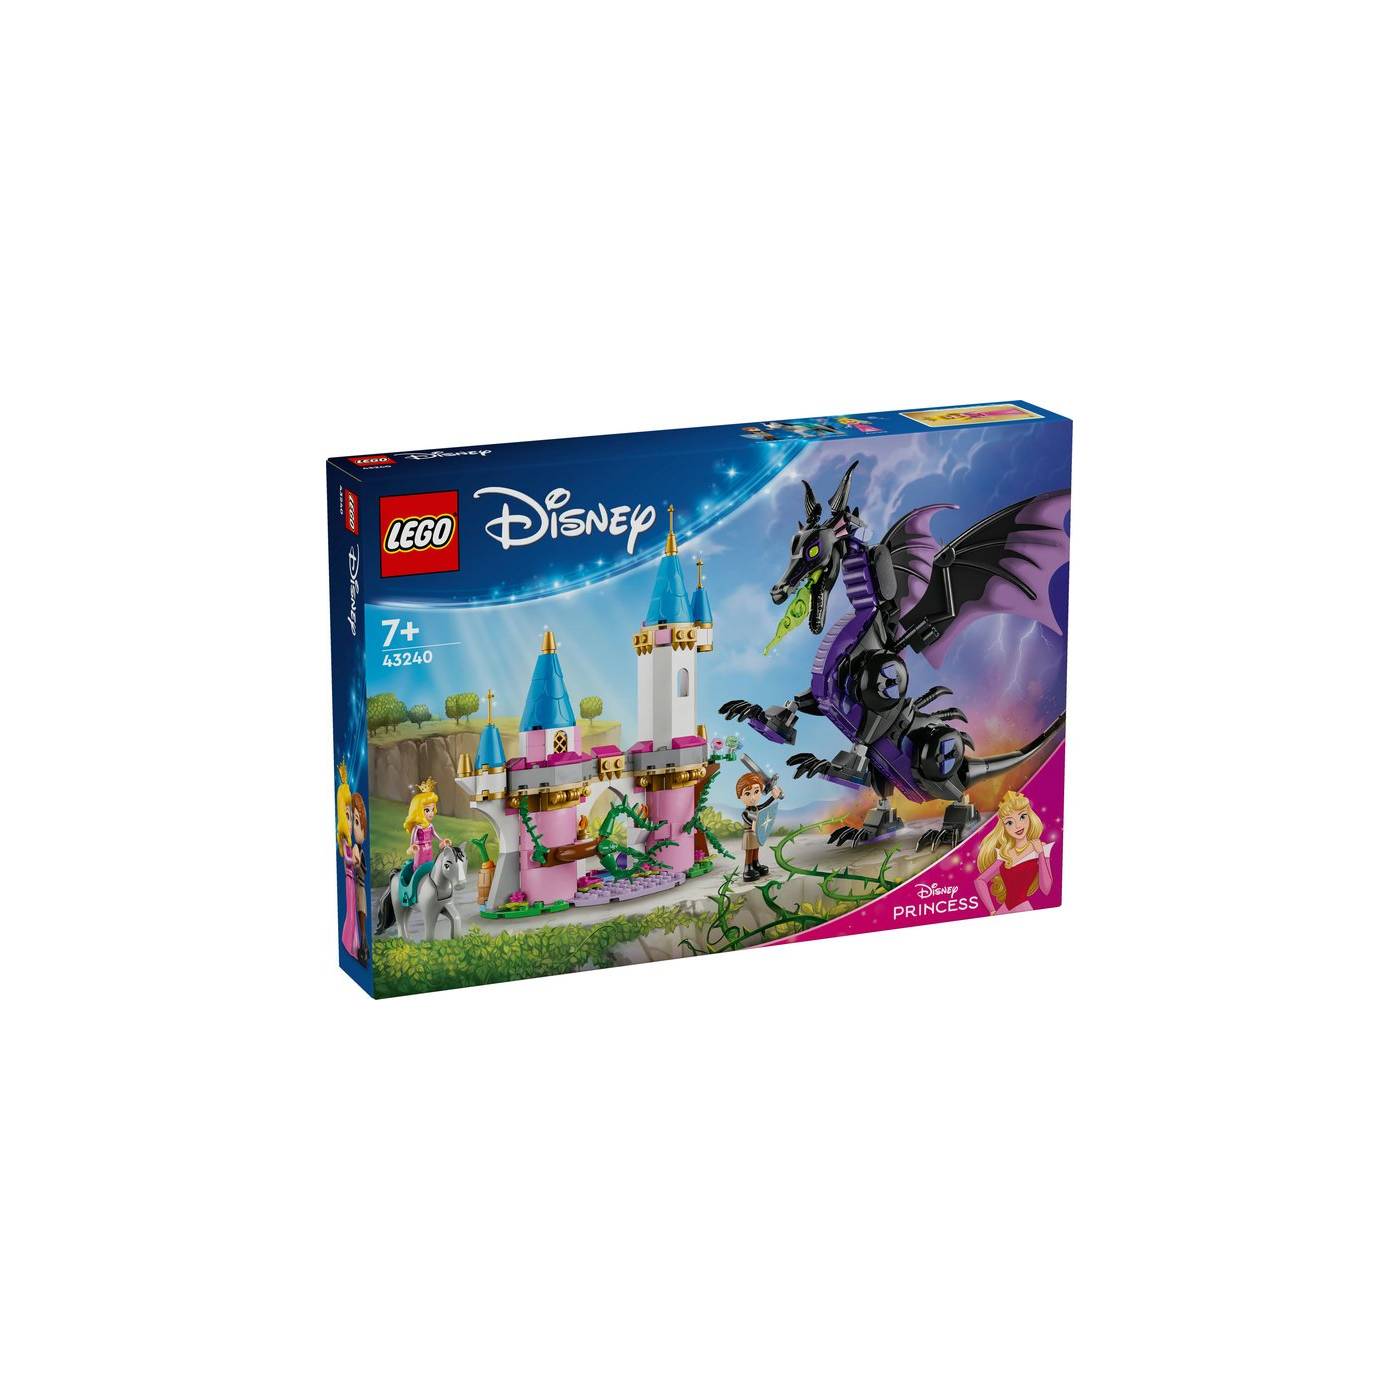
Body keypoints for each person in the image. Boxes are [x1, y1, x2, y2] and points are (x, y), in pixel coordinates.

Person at [973, 789, 1054, 914]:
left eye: (1022, 817)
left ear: (1030, 816)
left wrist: (1041, 854)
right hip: (1003, 911)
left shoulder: (1040, 848)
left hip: (1023, 909)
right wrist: (992, 910)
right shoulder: (1005, 854)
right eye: (1010, 822)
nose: (1018, 826)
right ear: (1004, 827)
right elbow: (979, 881)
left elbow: (1046, 889)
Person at [736, 770, 783, 882]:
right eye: (748, 793)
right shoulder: (746, 812)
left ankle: (755, 864)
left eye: (756, 791)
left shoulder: (756, 808)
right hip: (749, 834)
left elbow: (764, 806)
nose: (753, 797)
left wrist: (773, 797)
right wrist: (757, 823)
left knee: (756, 849)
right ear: (740, 796)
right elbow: (752, 821)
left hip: (756, 833)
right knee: (750, 851)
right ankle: (748, 868)